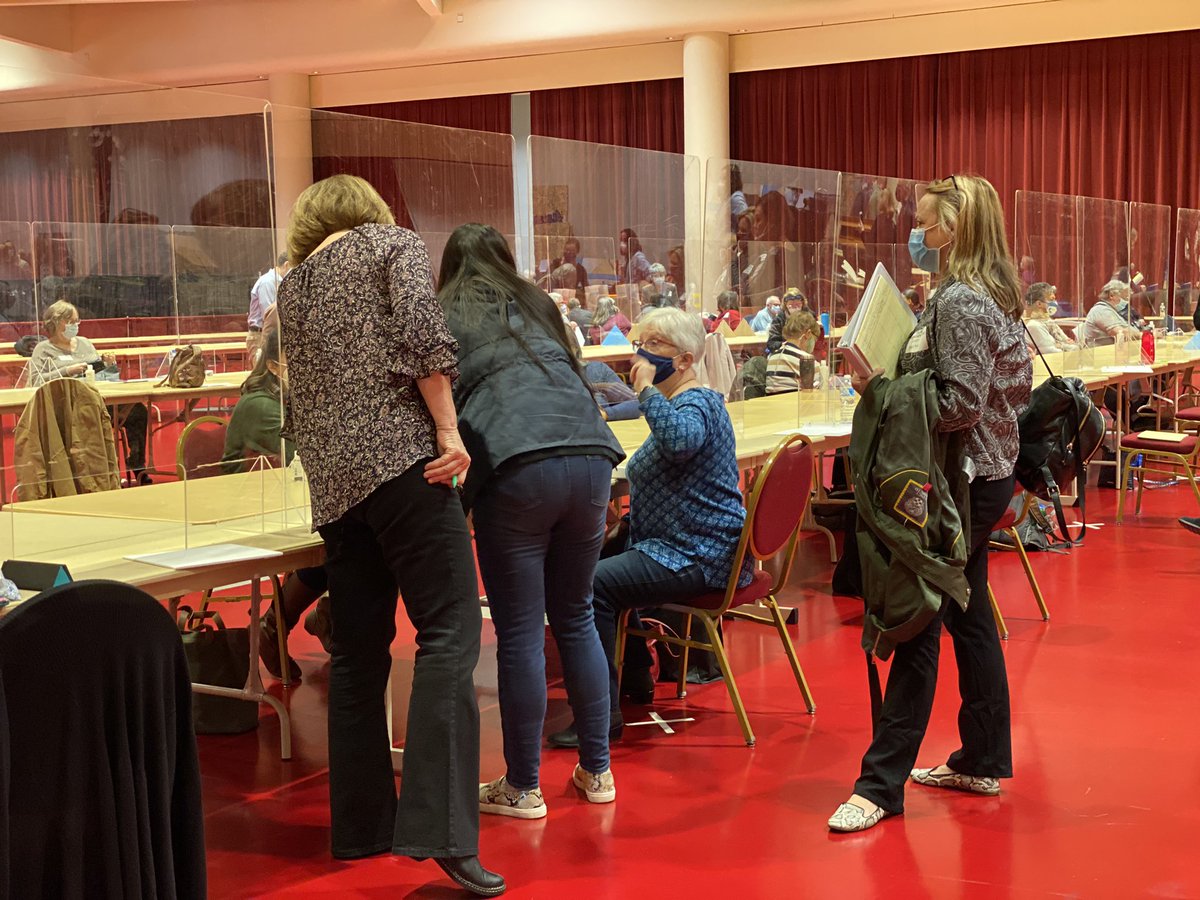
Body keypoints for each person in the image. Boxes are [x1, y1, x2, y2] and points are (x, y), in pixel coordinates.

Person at [275, 175, 503, 896]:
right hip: (409, 465)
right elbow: (425, 341)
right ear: (370, 210)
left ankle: (362, 823)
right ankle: (440, 830)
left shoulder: (292, 284)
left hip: (335, 486)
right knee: (449, 632)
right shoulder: (392, 245)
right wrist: (447, 428)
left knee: (357, 652)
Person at [828, 174, 1032, 833]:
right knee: (967, 616)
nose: (916, 233)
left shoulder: (964, 302)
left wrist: (880, 386)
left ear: (955, 228)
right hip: (978, 475)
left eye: (925, 222)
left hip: (961, 482)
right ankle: (980, 756)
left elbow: (960, 405)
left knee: (917, 616)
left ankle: (880, 784)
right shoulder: (978, 294)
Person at [437, 222, 625, 820]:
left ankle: (523, 786)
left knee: (519, 631)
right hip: (593, 456)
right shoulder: (538, 300)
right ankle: (597, 773)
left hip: (516, 462)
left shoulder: (441, 311)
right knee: (575, 617)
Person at [548, 307, 752, 748]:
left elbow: (680, 442)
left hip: (698, 553)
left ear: (684, 360)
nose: (642, 351)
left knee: (591, 587)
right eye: (643, 340)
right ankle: (635, 676)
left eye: (656, 344)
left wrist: (644, 391)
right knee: (597, 558)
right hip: (682, 543)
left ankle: (598, 717)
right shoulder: (682, 401)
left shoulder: (695, 400)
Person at [218, 331, 331, 682]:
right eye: (293, 357)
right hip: (249, 503)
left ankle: (325, 614)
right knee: (333, 540)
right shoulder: (263, 406)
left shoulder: (289, 398)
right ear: (271, 365)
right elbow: (309, 455)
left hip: (291, 498)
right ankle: (275, 625)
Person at [30, 299, 150, 483]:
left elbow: (104, 376)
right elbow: (35, 381)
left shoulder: (85, 343)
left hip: (97, 400)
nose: (76, 326)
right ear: (56, 322)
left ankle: (137, 465)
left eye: (77, 321)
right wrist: (66, 371)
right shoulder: (43, 350)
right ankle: (98, 474)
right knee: (90, 418)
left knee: (138, 411)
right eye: (71, 322)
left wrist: (110, 366)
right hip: (66, 407)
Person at [765, 311, 822, 394]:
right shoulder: (806, 361)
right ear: (808, 334)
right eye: (814, 339)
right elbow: (820, 392)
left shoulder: (773, 356)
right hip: (795, 404)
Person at [1078, 279, 1143, 347]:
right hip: (1102, 354)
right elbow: (1121, 333)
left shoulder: (1114, 310)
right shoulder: (1101, 310)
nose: (1126, 301)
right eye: (1123, 297)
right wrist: (1143, 335)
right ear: (1111, 296)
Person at [1023, 282, 1075, 353]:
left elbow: (1067, 341)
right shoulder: (1034, 325)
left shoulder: (1048, 321)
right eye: (1051, 300)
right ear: (1039, 304)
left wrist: (1066, 345)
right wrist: (1068, 347)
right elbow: (1053, 352)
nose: (1055, 303)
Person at [249, 253, 288, 333]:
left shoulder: (277, 281)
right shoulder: (267, 282)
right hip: (260, 334)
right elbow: (269, 315)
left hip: (268, 332)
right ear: (286, 265)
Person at [766, 288, 811, 354]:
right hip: (785, 354)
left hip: (807, 354)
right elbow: (772, 343)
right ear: (785, 305)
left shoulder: (810, 317)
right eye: (791, 304)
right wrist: (786, 345)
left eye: (798, 304)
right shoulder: (779, 320)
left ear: (803, 304)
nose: (795, 307)